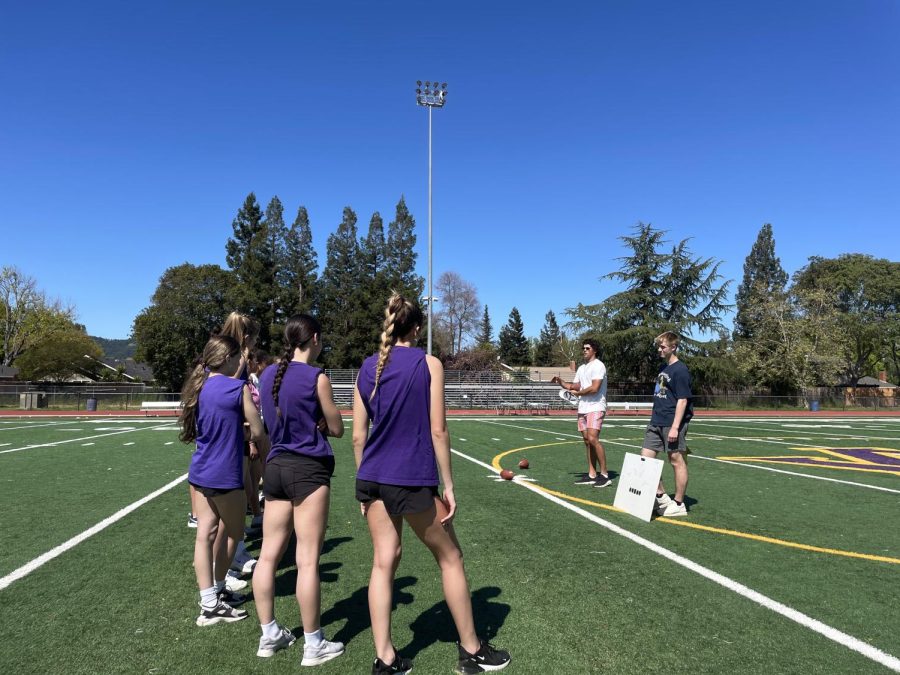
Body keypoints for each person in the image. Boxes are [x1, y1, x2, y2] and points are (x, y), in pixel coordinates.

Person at [353, 293, 511, 675]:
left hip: (372, 477)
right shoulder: (429, 364)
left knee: (382, 564)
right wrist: (450, 485)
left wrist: (363, 485)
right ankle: (471, 650)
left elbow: (359, 436)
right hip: (411, 478)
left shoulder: (368, 367)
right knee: (451, 557)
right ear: (417, 328)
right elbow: (439, 430)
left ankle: (385, 658)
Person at [253, 315, 345, 665]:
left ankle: (269, 634)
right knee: (307, 559)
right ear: (315, 339)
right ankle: (313, 643)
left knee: (268, 556)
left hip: (274, 468)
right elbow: (335, 427)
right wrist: (321, 420)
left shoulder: (267, 374)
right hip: (307, 469)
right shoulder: (317, 377)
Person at [179, 334, 268, 626]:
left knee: (205, 533)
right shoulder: (237, 387)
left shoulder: (200, 386)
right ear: (228, 359)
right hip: (225, 473)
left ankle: (208, 601)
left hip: (201, 471)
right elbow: (257, 430)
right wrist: (245, 432)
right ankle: (217, 591)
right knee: (234, 533)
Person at [218, 312, 262, 577]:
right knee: (227, 509)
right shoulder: (237, 360)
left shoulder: (221, 352)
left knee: (230, 505)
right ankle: (227, 566)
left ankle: (235, 553)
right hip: (231, 435)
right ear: (246, 338)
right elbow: (231, 390)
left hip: (227, 433)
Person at [641, 331, 693, 517]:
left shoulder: (680, 370)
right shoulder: (664, 369)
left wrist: (675, 427)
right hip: (656, 421)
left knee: (675, 460)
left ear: (673, 347)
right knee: (646, 459)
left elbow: (682, 400)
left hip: (671, 422)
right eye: (659, 346)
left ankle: (679, 503)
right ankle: (662, 496)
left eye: (663, 346)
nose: (659, 349)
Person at [551, 338, 611, 488]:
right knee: (586, 441)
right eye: (583, 348)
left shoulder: (599, 366)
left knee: (593, 438)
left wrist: (578, 394)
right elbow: (576, 385)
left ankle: (604, 475)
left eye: (587, 348)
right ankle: (592, 474)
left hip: (596, 406)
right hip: (583, 408)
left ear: (594, 350)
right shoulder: (582, 368)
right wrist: (561, 382)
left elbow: (594, 387)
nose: (584, 350)